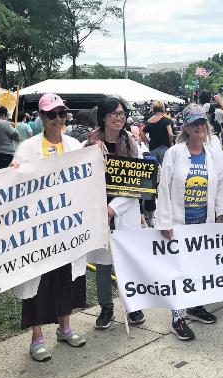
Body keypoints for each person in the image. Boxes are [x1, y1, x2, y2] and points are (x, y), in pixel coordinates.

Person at [13, 93, 87, 361]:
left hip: (67, 226)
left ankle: (65, 326)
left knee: (65, 276)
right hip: (38, 229)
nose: (58, 119)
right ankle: (37, 337)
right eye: (51, 114)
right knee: (39, 280)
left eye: (61, 113)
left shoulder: (75, 145)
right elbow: (17, 185)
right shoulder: (27, 148)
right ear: (42, 118)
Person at [156, 103, 223, 340]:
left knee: (200, 268)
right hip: (179, 223)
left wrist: (219, 213)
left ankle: (195, 306)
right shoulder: (174, 153)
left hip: (203, 222)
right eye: (194, 123)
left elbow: (220, 184)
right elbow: (163, 188)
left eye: (202, 122)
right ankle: (178, 317)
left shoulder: (213, 153)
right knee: (179, 270)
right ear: (185, 127)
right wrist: (164, 221)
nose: (200, 126)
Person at [85, 97, 146, 330]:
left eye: (122, 113)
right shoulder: (90, 144)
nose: (119, 117)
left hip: (124, 211)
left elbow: (137, 182)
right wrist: (91, 152)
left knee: (127, 262)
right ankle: (106, 308)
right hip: (98, 211)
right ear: (103, 117)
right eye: (114, 114)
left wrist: (114, 208)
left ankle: (133, 305)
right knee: (103, 264)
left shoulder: (132, 144)